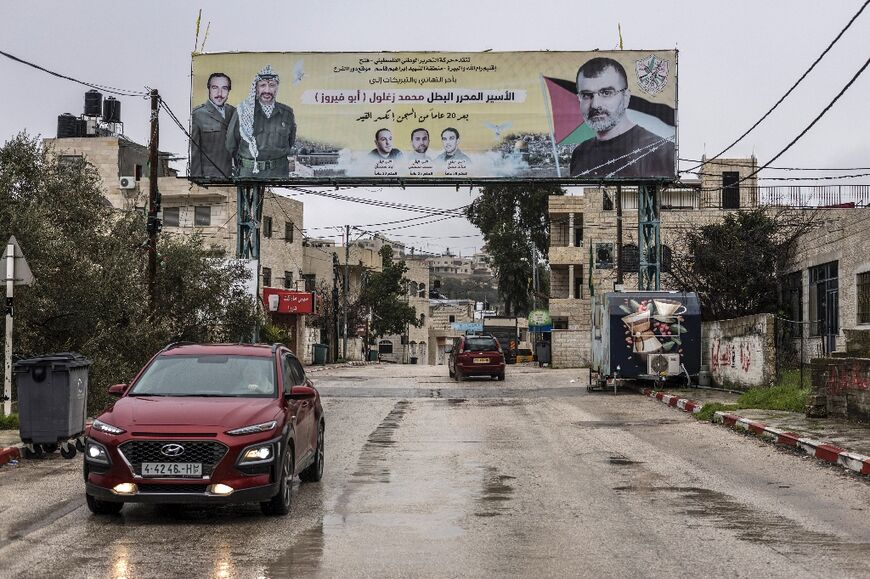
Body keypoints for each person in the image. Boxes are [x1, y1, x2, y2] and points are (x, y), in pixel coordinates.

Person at [569, 57, 674, 179]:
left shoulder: (663, 152)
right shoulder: (580, 153)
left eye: (606, 93)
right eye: (586, 95)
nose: (595, 104)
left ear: (626, 98)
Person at [226, 65, 296, 178]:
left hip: (279, 174)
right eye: (262, 85)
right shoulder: (243, 111)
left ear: (277, 87)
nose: (267, 90)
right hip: (250, 173)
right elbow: (231, 144)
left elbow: (290, 140)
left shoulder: (287, 113)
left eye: (272, 85)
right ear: (256, 88)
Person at [190, 73, 235, 179]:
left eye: (224, 88)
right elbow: (195, 154)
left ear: (229, 91)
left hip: (233, 180)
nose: (219, 93)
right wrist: (197, 182)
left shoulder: (234, 113)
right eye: (215, 88)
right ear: (208, 89)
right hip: (210, 180)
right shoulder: (197, 115)